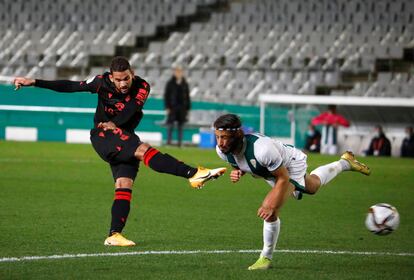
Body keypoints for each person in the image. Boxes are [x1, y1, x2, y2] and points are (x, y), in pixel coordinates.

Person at [13, 56, 226, 247]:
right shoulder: (100, 82)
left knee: (124, 185)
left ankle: (114, 234)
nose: (123, 83)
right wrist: (35, 82)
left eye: (126, 78)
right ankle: (192, 174)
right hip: (103, 136)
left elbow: (131, 109)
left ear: (132, 74)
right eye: (118, 80)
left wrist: (115, 123)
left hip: (122, 135)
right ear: (111, 77)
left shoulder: (142, 86)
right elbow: (70, 86)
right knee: (143, 150)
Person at [213, 114, 370, 270]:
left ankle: (265, 259)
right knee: (313, 187)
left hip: (290, 164)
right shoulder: (222, 151)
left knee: (270, 209)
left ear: (238, 134)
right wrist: (239, 171)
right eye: (218, 137)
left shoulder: (262, 150)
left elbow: (283, 178)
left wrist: (271, 204)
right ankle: (345, 163)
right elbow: (241, 162)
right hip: (270, 171)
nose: (220, 143)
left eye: (225, 137)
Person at [164, 66, 191, 147]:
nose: (179, 73)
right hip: (172, 107)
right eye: (177, 71)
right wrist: (167, 107)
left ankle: (180, 143)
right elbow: (166, 95)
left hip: (182, 108)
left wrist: (188, 108)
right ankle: (169, 142)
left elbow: (187, 96)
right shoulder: (170, 83)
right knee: (170, 125)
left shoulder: (184, 83)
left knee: (180, 126)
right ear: (175, 73)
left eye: (180, 72)